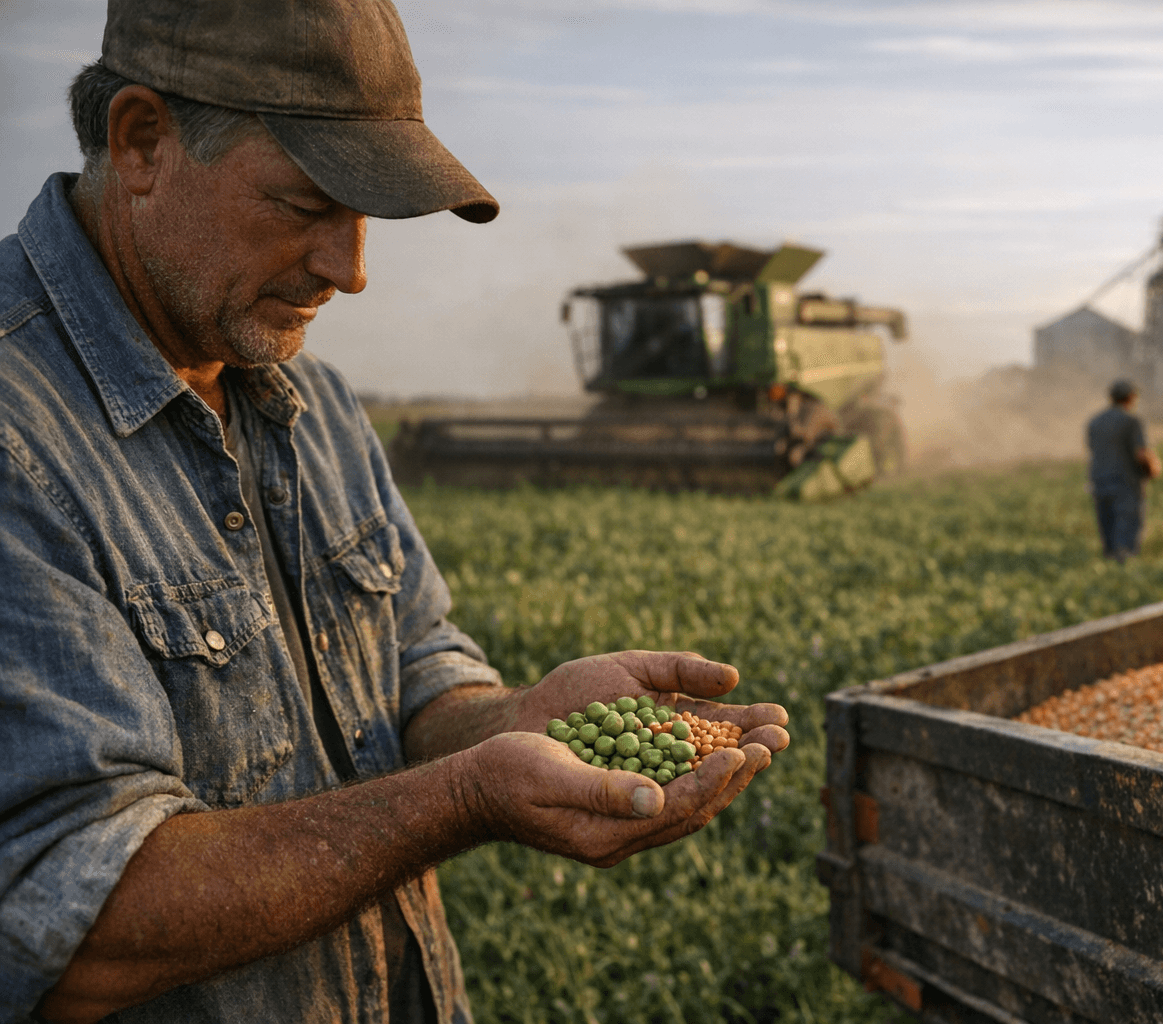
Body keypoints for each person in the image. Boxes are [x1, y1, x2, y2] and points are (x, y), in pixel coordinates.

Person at [0, 2, 789, 1021]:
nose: (352, 269)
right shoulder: (20, 436)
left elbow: (411, 667)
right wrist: (466, 798)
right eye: (305, 202)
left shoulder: (303, 398)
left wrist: (508, 721)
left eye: (366, 215)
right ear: (143, 142)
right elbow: (64, 921)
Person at [1085, 379, 1162, 562]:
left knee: (1107, 525)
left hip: (1099, 480)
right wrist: (1152, 470)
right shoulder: (1132, 421)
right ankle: (1124, 563)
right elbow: (1141, 453)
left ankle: (1109, 561)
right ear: (1131, 398)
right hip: (1125, 481)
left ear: (1111, 397)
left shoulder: (1094, 422)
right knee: (1126, 528)